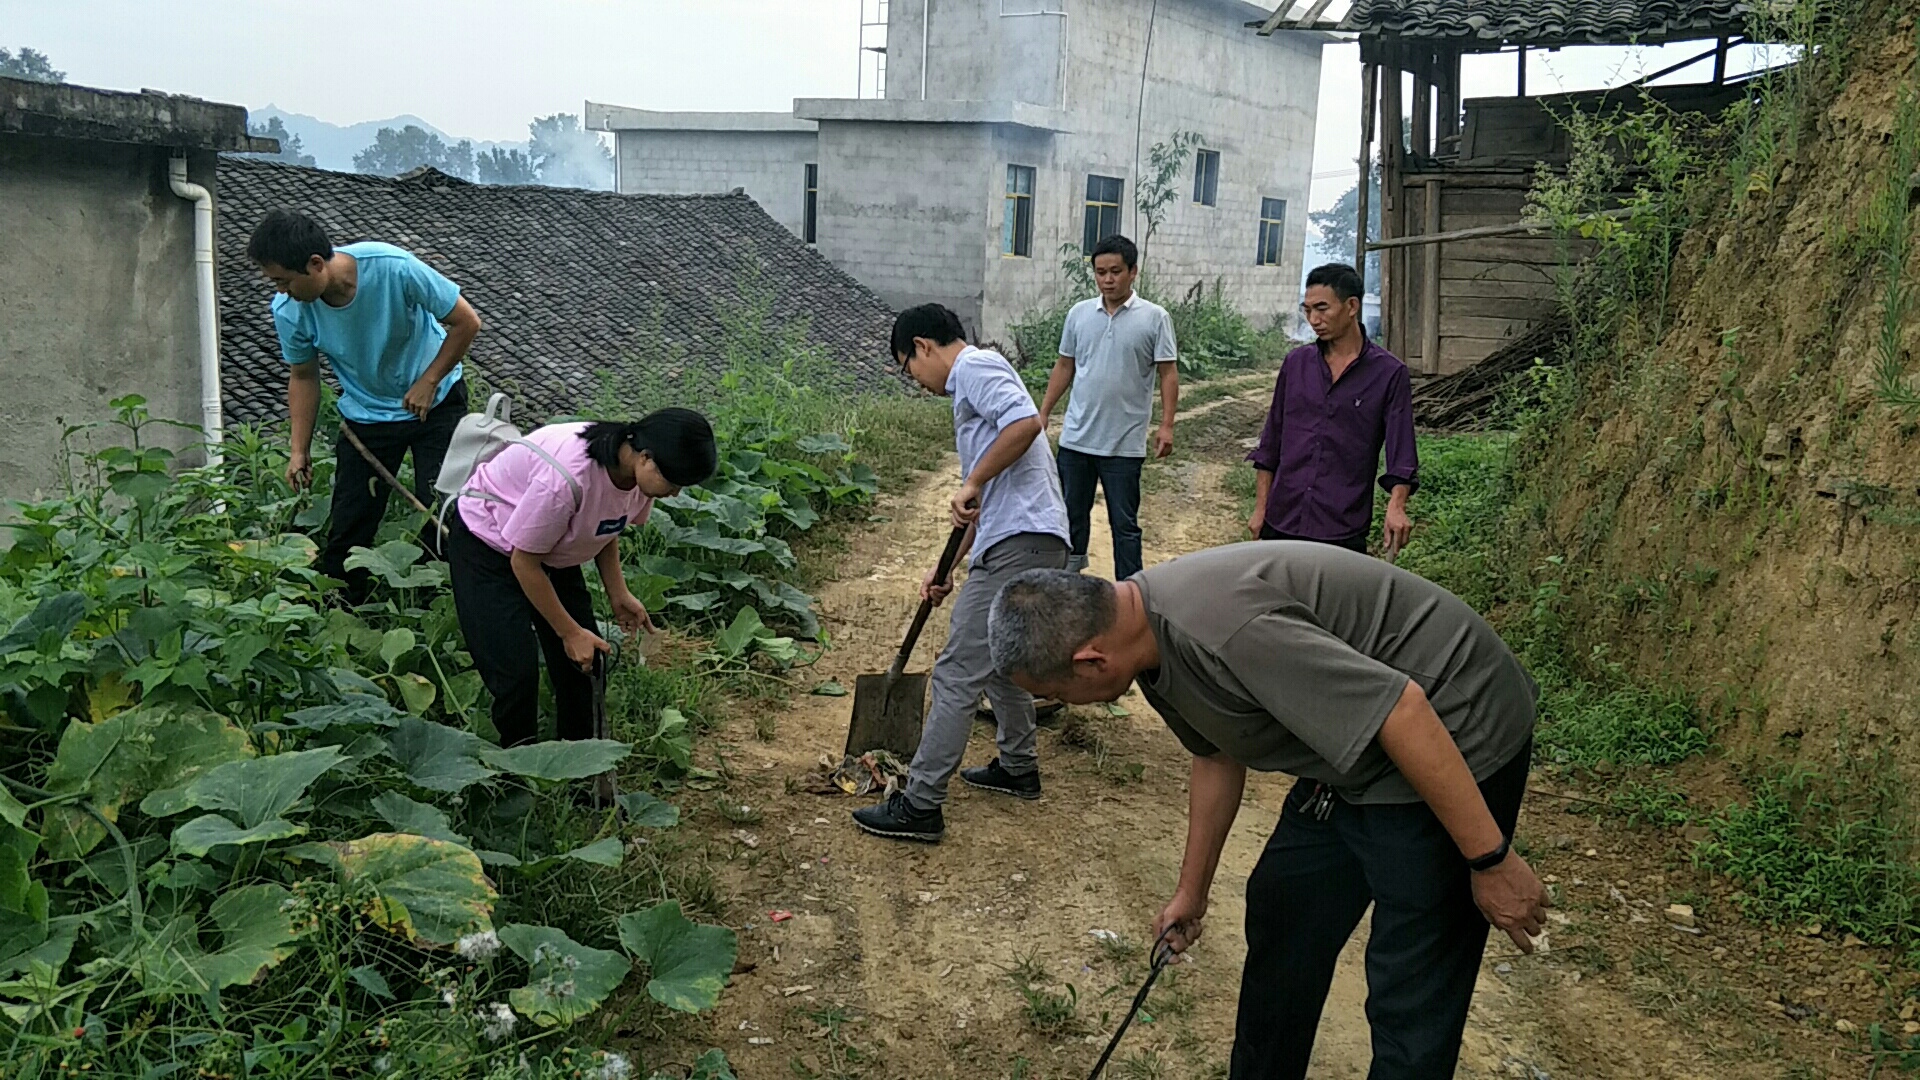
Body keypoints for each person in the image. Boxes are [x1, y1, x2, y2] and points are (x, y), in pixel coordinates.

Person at [987, 544, 1548, 1079]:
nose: (1061, 705)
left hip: (1453, 730)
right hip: (1356, 750)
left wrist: (1491, 860)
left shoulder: (1227, 630)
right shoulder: (1142, 641)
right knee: (1287, 913)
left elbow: (1402, 711)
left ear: (1090, 661)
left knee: (1411, 988)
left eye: (1056, 694)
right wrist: (1193, 889)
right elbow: (1216, 749)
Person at [851, 304, 1070, 843]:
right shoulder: (975, 387)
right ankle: (1018, 767)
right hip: (1023, 539)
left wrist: (971, 481)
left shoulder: (976, 368)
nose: (916, 382)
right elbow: (986, 497)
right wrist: (945, 566)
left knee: (956, 672)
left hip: (1023, 541)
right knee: (998, 663)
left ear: (924, 347)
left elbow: (1026, 423)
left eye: (909, 368)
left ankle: (920, 803)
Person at [248, 209, 484, 602]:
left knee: (442, 509)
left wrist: (429, 381)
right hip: (368, 414)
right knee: (350, 520)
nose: (281, 290)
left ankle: (434, 603)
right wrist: (298, 450)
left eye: (284, 281)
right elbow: (304, 377)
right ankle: (342, 607)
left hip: (436, 404)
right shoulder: (290, 310)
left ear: (316, 264)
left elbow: (467, 322)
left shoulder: (393, 268)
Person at [446, 411, 717, 747]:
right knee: (516, 673)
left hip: (547, 546)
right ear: (646, 458)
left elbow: (607, 524)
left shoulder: (634, 474)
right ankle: (515, 771)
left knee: (588, 664)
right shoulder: (566, 479)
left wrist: (618, 592)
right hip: (488, 545)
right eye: (673, 483)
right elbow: (524, 563)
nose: (674, 493)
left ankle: (582, 768)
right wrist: (569, 631)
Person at [1248, 262, 1416, 559]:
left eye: (1322, 308)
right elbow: (1271, 443)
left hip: (1342, 528)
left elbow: (1401, 453)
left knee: (1331, 606)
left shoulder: (1389, 374)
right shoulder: (1296, 365)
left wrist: (1397, 505)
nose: (1313, 319)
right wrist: (1261, 509)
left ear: (1351, 306)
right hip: (1282, 519)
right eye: (1307, 310)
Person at [1037, 234, 1179, 581]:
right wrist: (1043, 413)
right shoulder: (1079, 314)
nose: (1108, 280)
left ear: (1133, 272)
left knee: (1124, 524)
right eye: (1101, 272)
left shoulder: (1155, 318)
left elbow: (1168, 373)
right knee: (1070, 517)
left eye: (1116, 271)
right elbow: (1065, 366)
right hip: (1076, 439)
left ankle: (1131, 593)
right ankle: (1067, 585)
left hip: (1124, 444)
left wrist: (1167, 425)